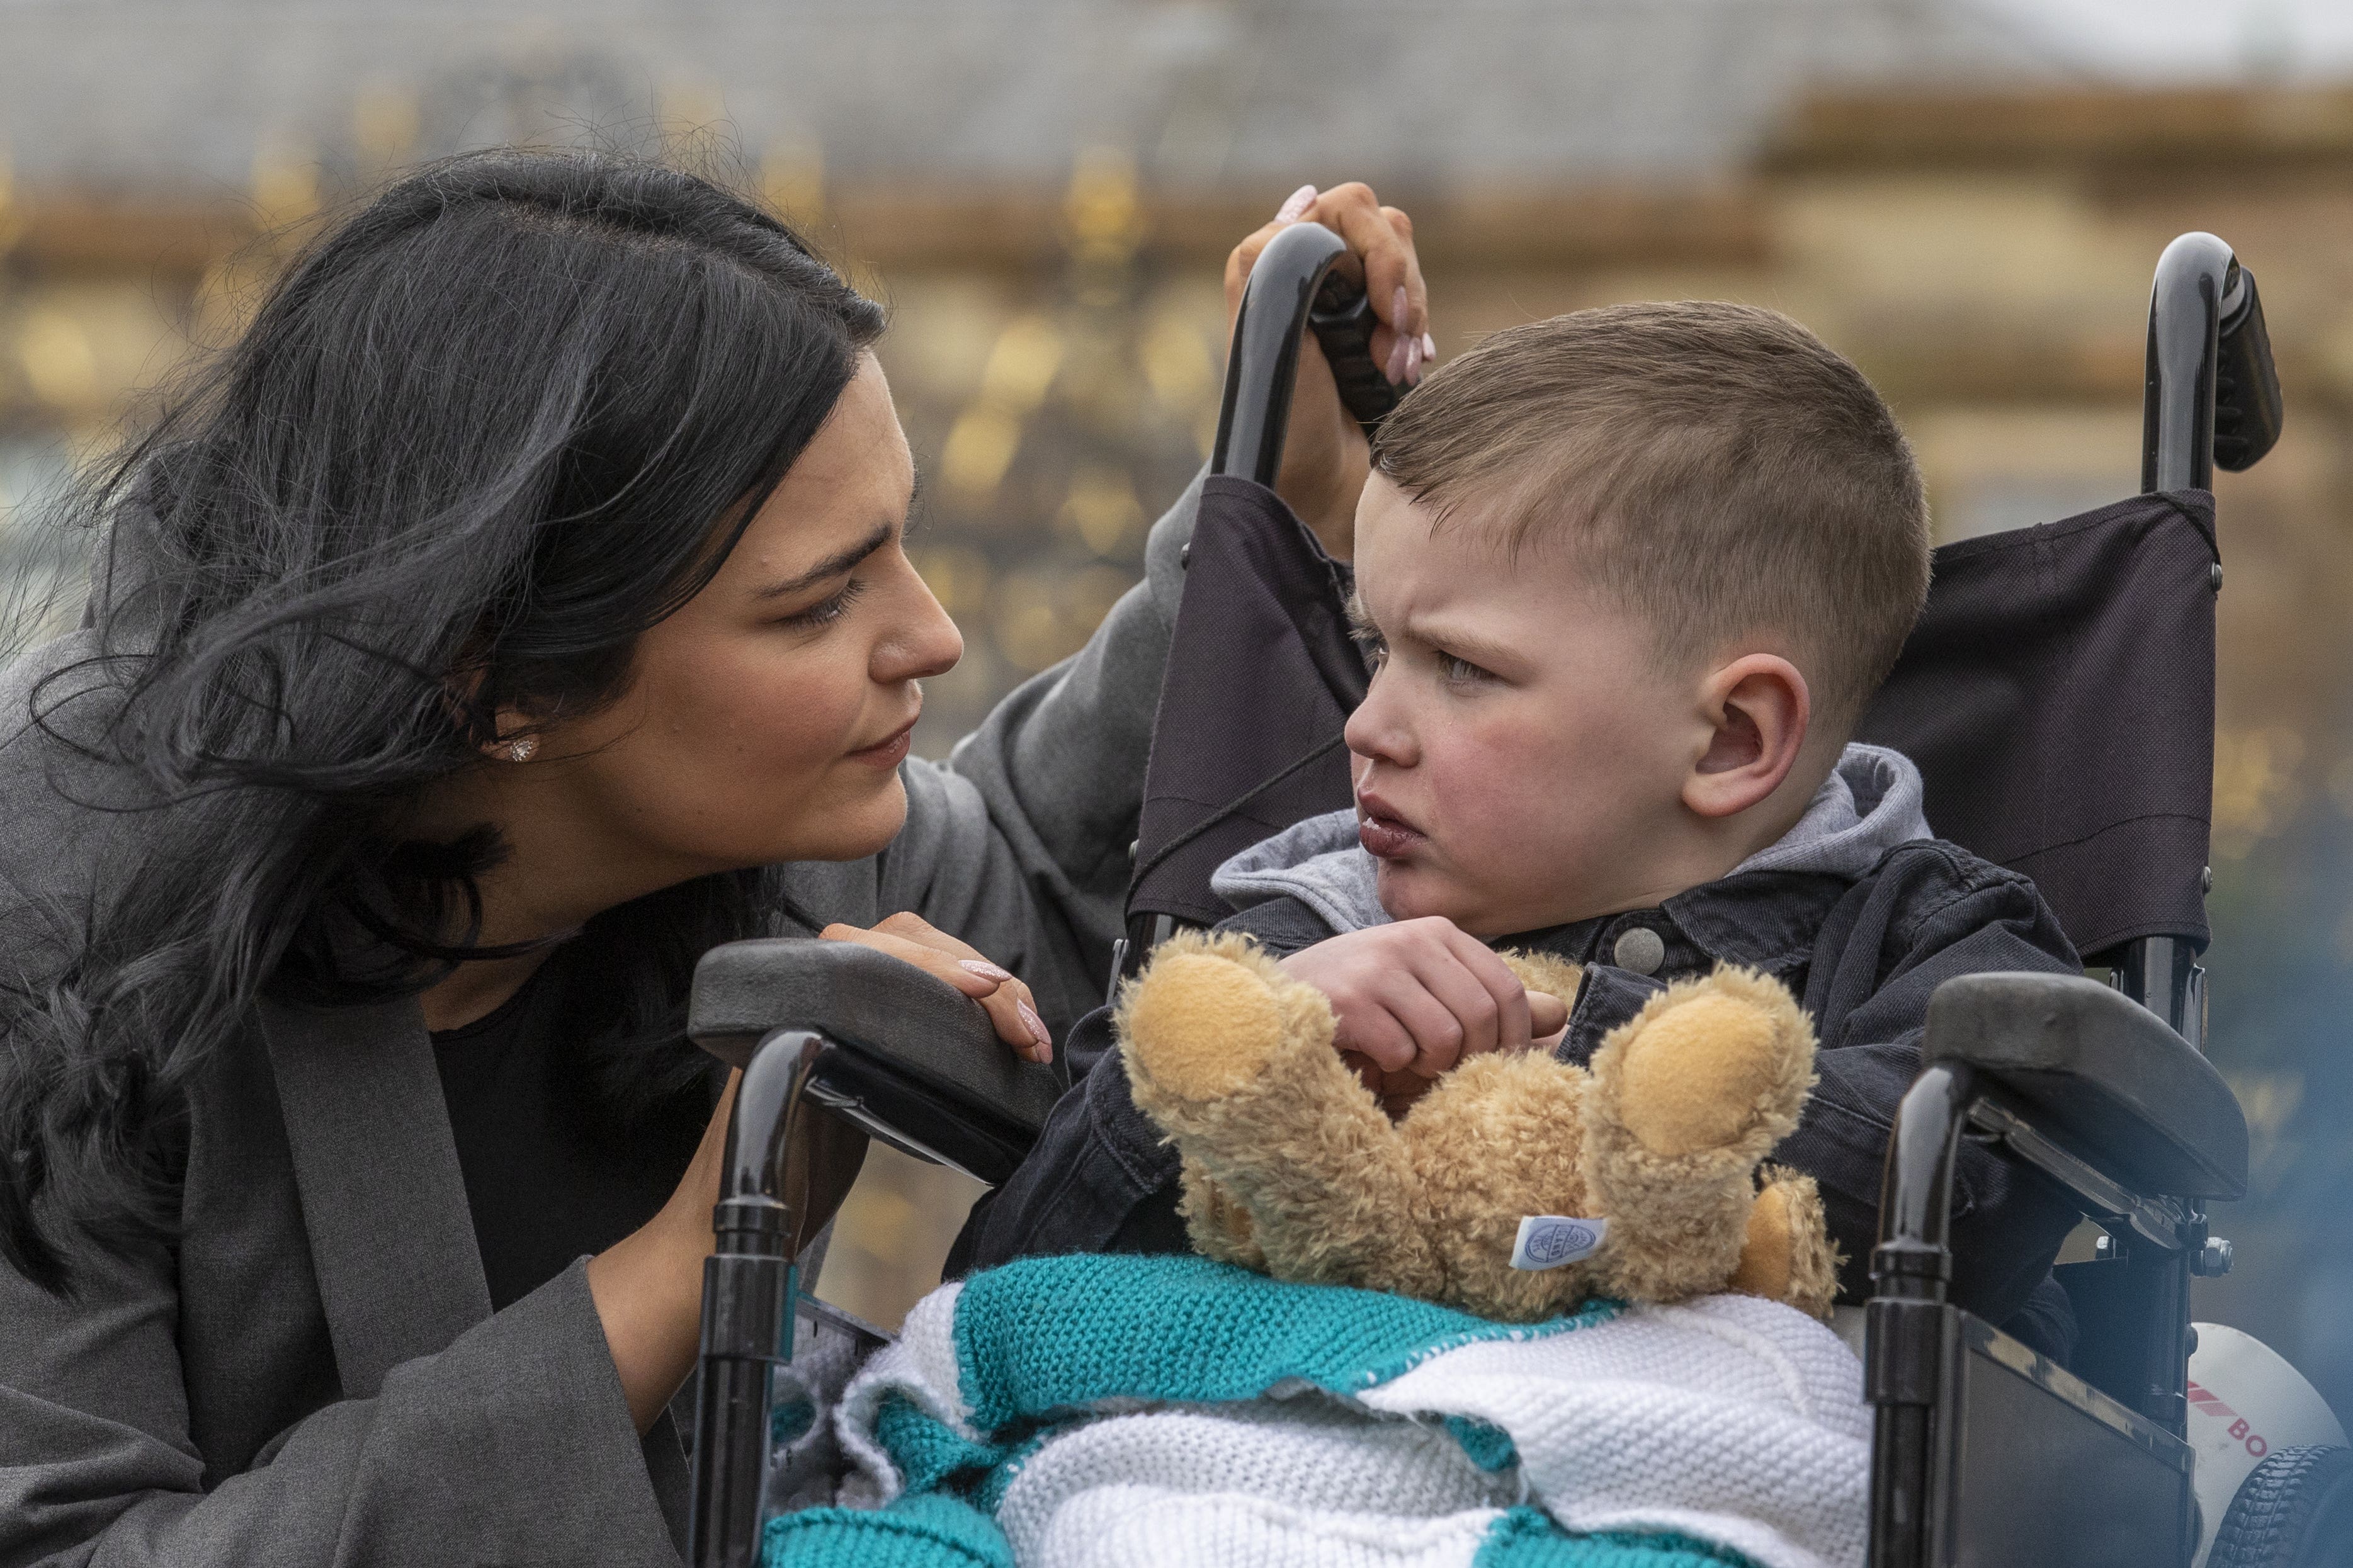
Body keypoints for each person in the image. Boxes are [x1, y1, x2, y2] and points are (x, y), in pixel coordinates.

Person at [0, 152, 1429, 1565]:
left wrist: (1281, 493)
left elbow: (1047, 887)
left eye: (903, 545)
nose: (931, 636)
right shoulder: (58, 925)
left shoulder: (756, 848)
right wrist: (703, 1257)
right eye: (818, 603)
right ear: (494, 679)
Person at [956, 302, 2085, 1360]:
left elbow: (1994, 1204)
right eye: (1375, 649)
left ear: (1731, 740)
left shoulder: (1932, 945)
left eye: (1461, 667)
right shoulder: (1284, 940)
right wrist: (1241, 1065)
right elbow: (1006, 1289)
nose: (1366, 726)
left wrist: (1598, 1052)